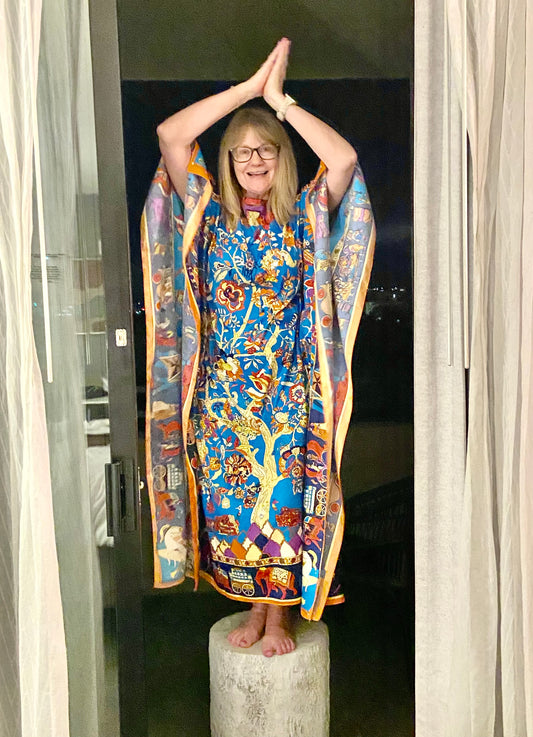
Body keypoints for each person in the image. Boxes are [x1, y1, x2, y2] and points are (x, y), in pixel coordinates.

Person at [142, 38, 375, 657]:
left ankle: (279, 619)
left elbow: (344, 159)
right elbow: (170, 135)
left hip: (286, 397)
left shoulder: (304, 218)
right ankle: (254, 607)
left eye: (265, 149)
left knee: (283, 508)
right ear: (227, 159)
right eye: (241, 150)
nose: (253, 159)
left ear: (280, 157)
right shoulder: (209, 217)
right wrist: (246, 91)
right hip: (222, 400)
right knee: (237, 511)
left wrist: (279, 102)